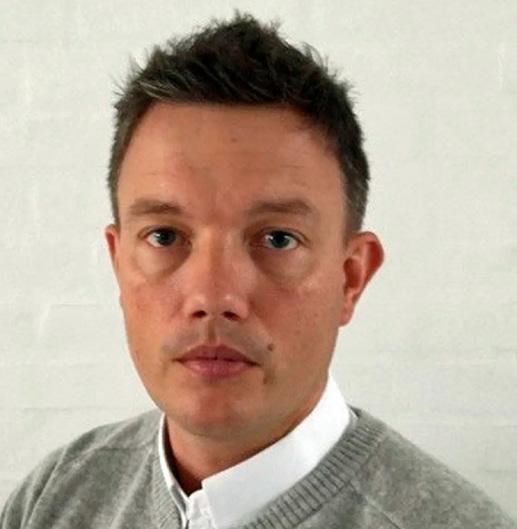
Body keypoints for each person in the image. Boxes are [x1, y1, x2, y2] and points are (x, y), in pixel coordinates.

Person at [1, 12, 515, 529]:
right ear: (118, 263)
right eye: (164, 236)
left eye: (277, 239)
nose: (212, 295)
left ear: (351, 277)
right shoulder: (54, 499)